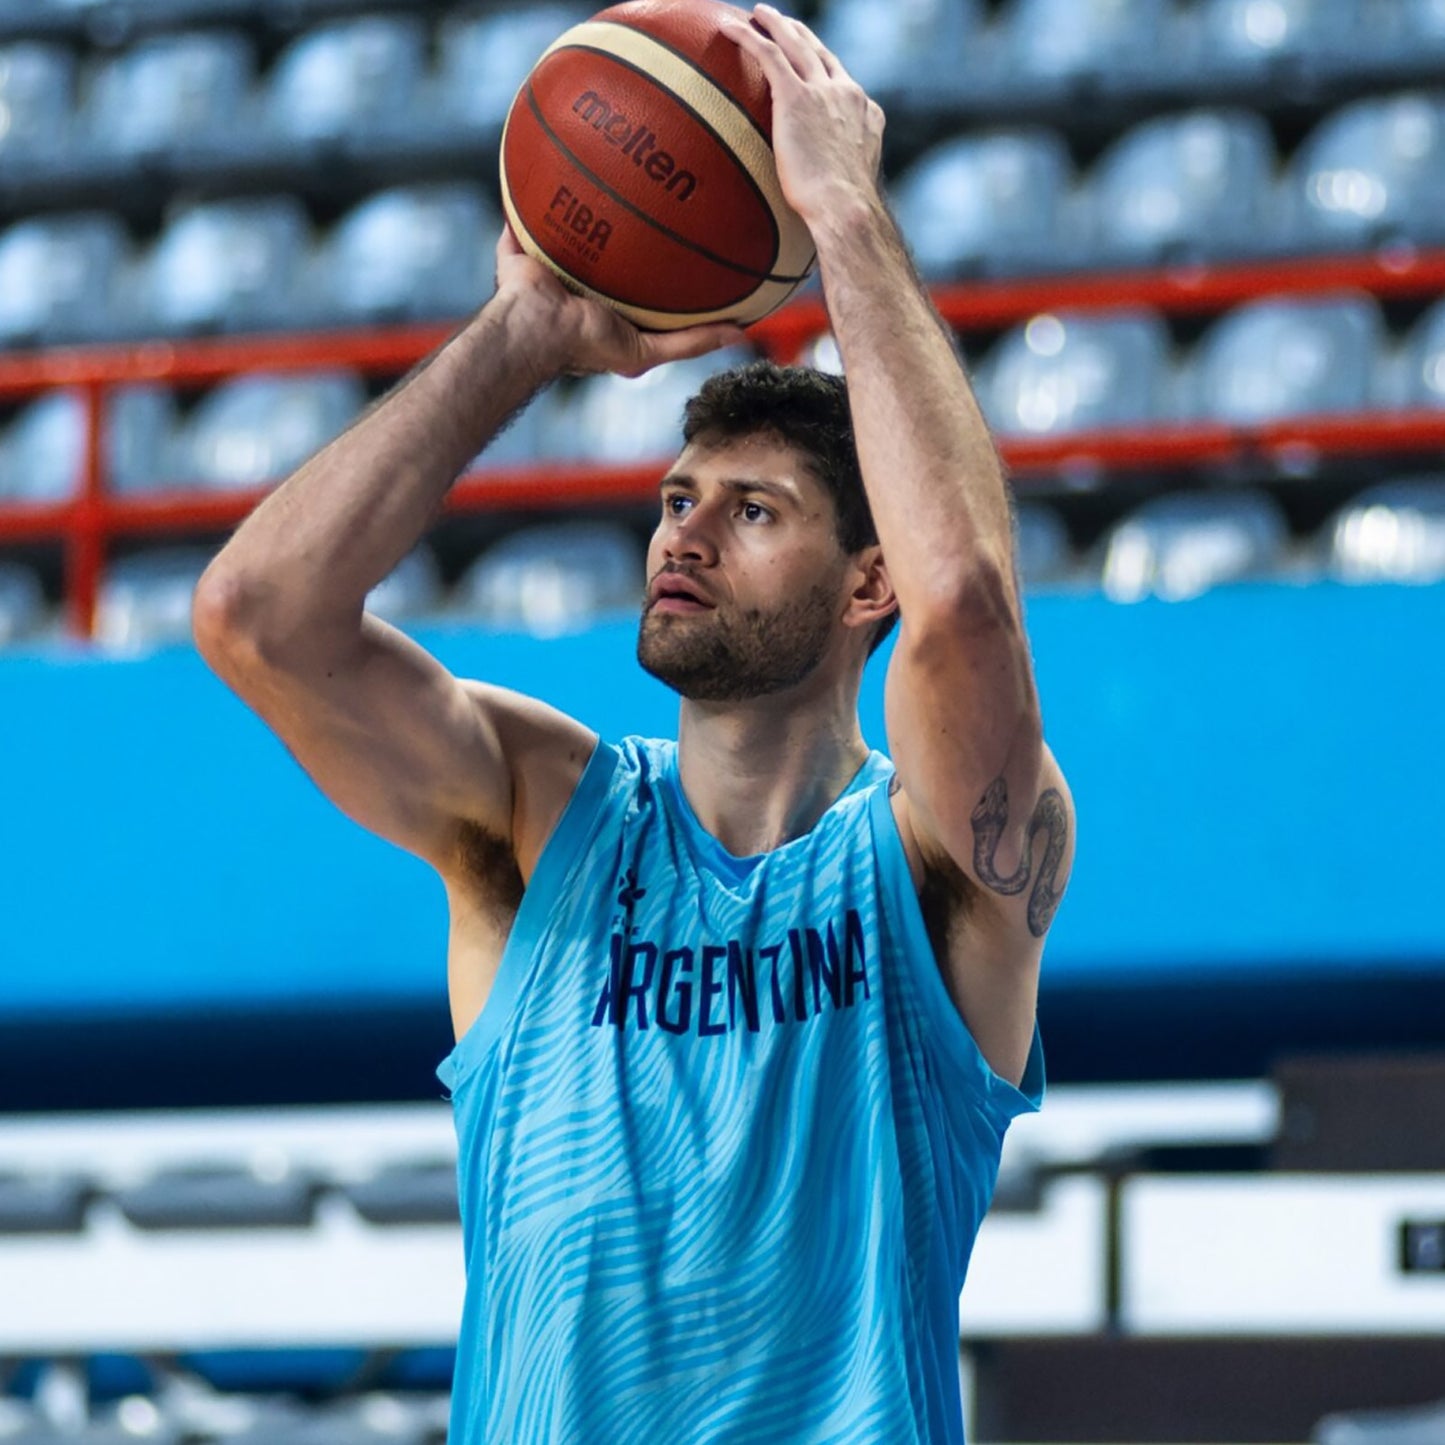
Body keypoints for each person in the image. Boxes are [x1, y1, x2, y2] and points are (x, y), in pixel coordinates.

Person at [193, 5, 1075, 1440]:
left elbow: (966, 599)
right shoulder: (540, 816)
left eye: (751, 511)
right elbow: (256, 619)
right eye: (677, 498)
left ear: (867, 581)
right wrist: (527, 326)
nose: (685, 533)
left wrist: (842, 217)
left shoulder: (940, 869)